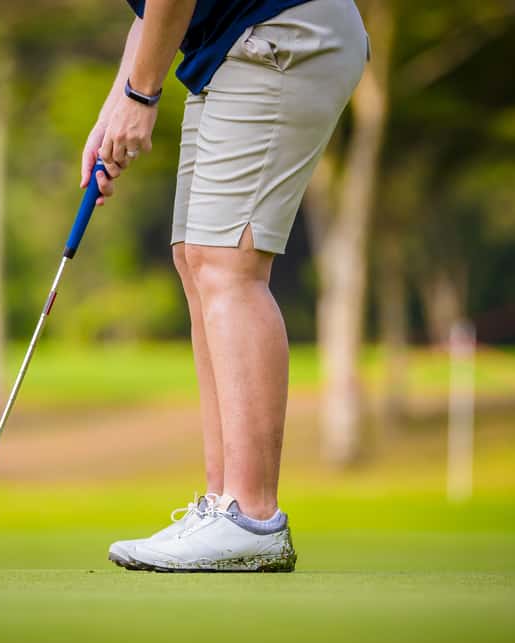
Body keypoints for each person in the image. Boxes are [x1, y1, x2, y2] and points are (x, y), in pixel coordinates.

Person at [83, 0, 369, 572]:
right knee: (196, 260)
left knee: (226, 263)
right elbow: (150, 11)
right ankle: (222, 507)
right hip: (234, 46)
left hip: (280, 30)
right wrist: (118, 104)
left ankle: (251, 516)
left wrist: (142, 96)